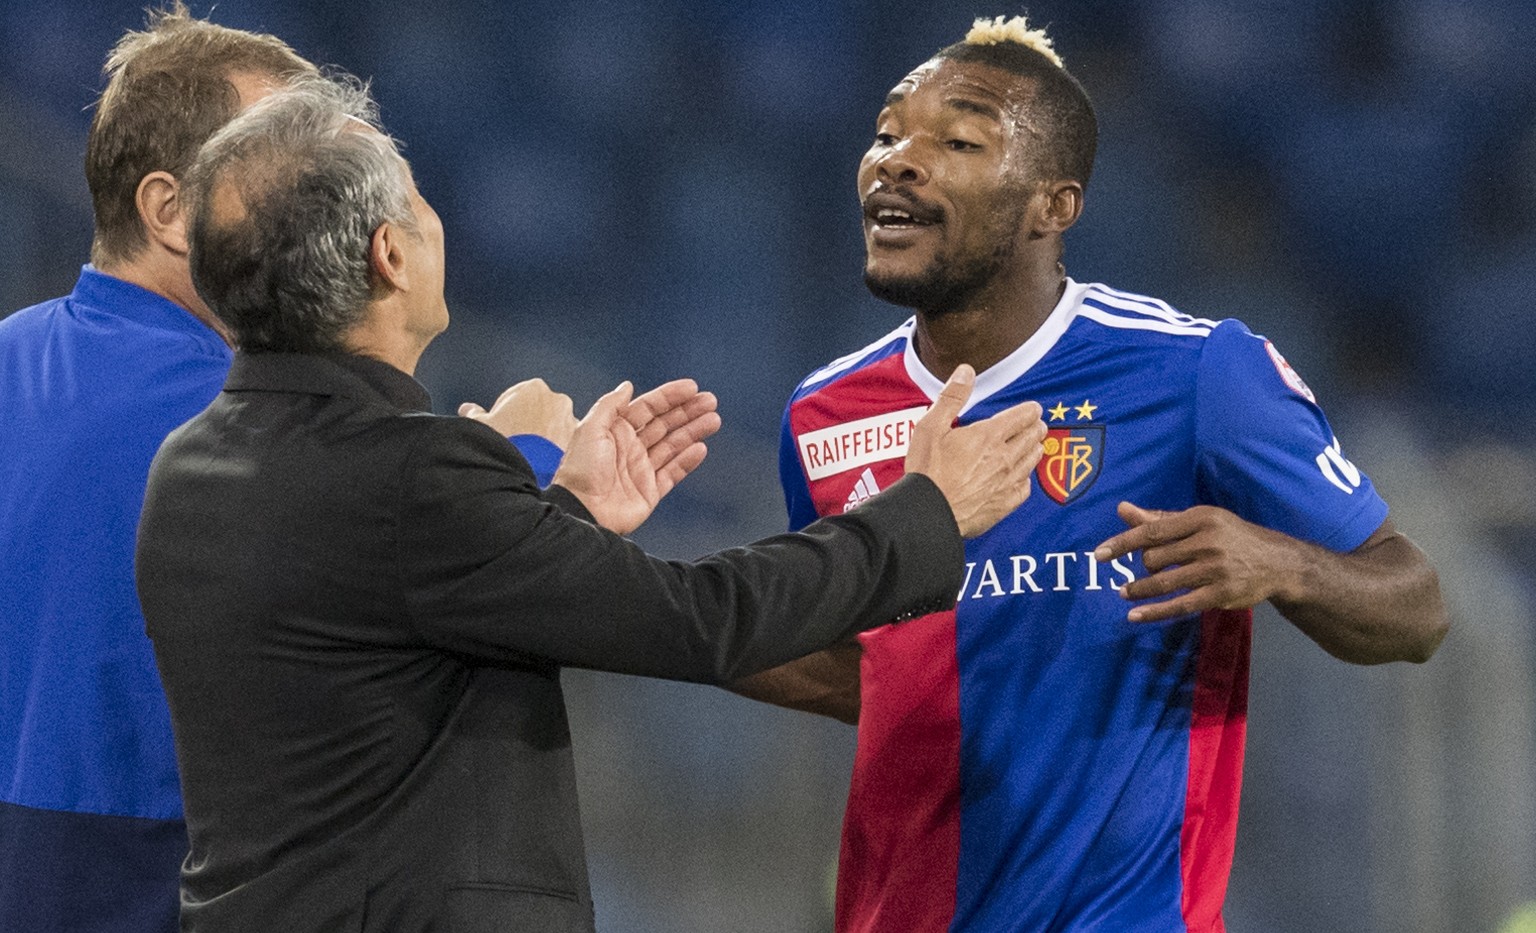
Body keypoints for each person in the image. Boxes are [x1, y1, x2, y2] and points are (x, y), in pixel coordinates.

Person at [133, 73, 1047, 933]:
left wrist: (556, 511)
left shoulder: (187, 467)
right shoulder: (415, 478)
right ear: (389, 254)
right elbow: (701, 621)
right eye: (416, 198)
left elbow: (383, 645)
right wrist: (926, 509)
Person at [735, 15, 1449, 932]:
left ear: (1053, 206)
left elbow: (1418, 607)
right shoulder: (824, 413)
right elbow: (869, 670)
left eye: (957, 140)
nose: (898, 160)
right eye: (886, 133)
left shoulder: (1197, 374)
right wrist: (660, 609)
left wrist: (1282, 563)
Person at [0, 6, 574, 931]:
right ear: (170, 212)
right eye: (279, 166)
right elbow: (445, 585)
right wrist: (532, 463)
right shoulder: (257, 418)